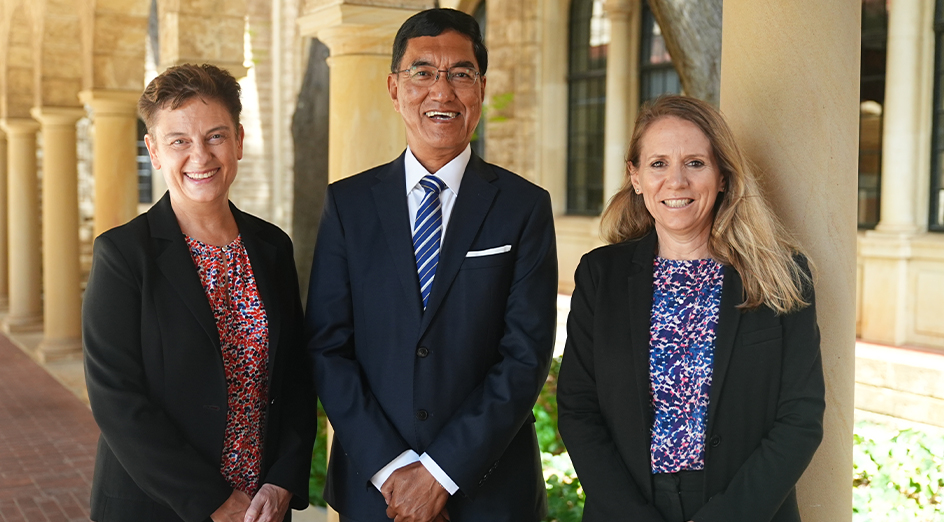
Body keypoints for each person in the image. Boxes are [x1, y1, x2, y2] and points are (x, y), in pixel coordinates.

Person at [305, 8, 558, 522]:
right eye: (422, 72)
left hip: (488, 493)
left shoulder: (524, 207)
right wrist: (395, 472)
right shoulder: (347, 205)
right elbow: (328, 347)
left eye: (460, 74)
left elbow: (525, 355)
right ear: (395, 88)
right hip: (375, 492)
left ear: (481, 89)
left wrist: (440, 474)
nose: (441, 92)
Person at [557, 95, 825, 522]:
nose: (676, 181)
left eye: (695, 163)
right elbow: (578, 407)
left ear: (722, 176)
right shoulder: (599, 275)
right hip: (627, 509)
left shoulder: (781, 275)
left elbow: (801, 417)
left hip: (745, 510)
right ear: (636, 176)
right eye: (658, 163)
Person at [83, 63, 315, 522]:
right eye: (179, 141)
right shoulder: (124, 254)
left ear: (239, 141)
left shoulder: (271, 246)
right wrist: (213, 501)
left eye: (215, 136)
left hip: (261, 507)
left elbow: (295, 377)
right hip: (159, 505)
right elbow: (117, 399)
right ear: (153, 150)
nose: (201, 156)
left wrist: (283, 479)